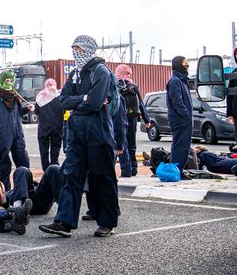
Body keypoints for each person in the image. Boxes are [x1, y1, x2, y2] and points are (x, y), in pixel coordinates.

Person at [39, 35, 121, 238]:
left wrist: (79, 102)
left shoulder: (101, 72)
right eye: (74, 49)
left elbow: (95, 103)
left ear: (89, 50)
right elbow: (62, 101)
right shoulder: (75, 73)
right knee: (71, 176)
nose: (76, 53)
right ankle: (64, 222)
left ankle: (107, 222)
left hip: (98, 133)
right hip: (77, 133)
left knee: (102, 177)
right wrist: (83, 98)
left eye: (79, 49)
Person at [0, 70, 33, 190]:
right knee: (4, 163)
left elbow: (18, 111)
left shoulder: (13, 93)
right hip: (2, 134)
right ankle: (5, 191)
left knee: (23, 160)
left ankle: (25, 188)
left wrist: (27, 108)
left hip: (17, 132)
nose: (9, 83)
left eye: (11, 80)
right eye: (7, 80)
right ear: (1, 81)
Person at [114, 65, 155, 177]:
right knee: (132, 144)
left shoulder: (114, 85)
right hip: (132, 118)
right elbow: (140, 103)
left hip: (119, 118)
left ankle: (125, 170)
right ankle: (134, 169)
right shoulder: (133, 85)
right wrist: (147, 120)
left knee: (122, 143)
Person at [165, 56, 194, 173]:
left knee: (184, 146)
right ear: (179, 65)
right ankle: (176, 170)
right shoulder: (175, 81)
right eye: (185, 63)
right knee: (179, 146)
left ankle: (179, 170)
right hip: (180, 119)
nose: (187, 66)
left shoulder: (182, 80)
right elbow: (177, 101)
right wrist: (186, 114)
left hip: (184, 118)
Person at [35, 78, 64, 169]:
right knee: (55, 148)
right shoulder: (59, 97)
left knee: (44, 149)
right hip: (57, 127)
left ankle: (45, 167)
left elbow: (36, 111)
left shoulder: (41, 96)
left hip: (44, 127)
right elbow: (64, 110)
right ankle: (54, 166)